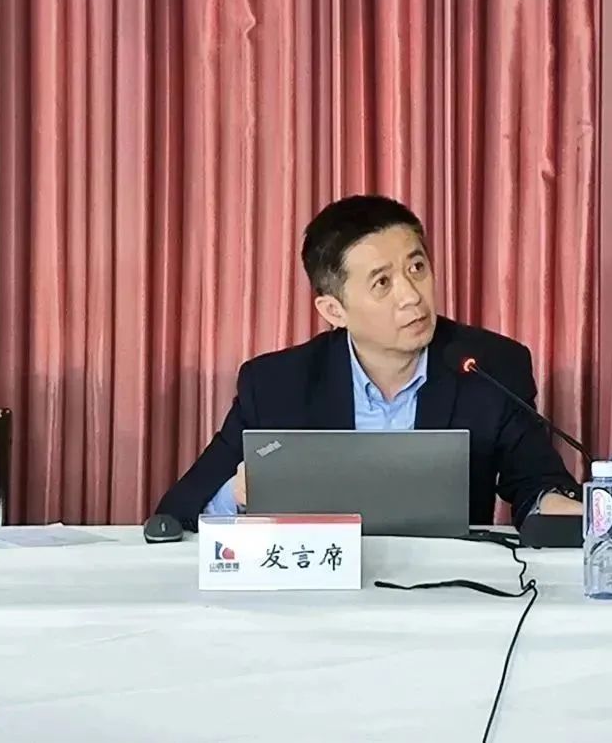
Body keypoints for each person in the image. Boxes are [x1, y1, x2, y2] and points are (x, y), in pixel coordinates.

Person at [156, 195, 582, 529]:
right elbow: (177, 513)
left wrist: (564, 507)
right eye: (382, 283)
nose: (411, 296)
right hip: (318, 596)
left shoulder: (490, 366)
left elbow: (537, 485)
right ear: (334, 310)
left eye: (417, 268)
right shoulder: (276, 385)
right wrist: (238, 495)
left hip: (445, 592)